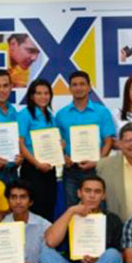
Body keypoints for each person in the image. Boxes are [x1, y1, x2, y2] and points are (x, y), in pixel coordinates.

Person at [56, 70, 115, 206]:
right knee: (72, 209)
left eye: (82, 84)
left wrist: (97, 161)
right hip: (71, 170)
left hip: (96, 169)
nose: (78, 88)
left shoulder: (102, 112)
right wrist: (64, 157)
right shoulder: (61, 115)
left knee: (98, 207)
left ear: (89, 87)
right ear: (69, 88)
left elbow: (108, 141)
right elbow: (58, 144)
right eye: (74, 84)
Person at [17, 79, 61, 221]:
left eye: (46, 93)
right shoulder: (25, 114)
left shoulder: (51, 116)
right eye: (39, 93)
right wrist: (37, 164)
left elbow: (55, 142)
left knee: (49, 206)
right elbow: (21, 144)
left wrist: (60, 145)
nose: (43, 97)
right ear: (31, 96)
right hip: (32, 169)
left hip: (50, 169)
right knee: (35, 209)